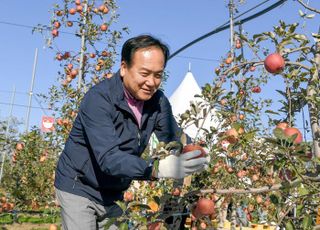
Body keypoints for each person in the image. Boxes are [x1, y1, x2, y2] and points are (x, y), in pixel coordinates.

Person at [54, 34, 208, 230]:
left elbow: (174, 138)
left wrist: (195, 150)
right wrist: (156, 169)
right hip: (79, 186)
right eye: (144, 73)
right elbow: (109, 158)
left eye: (158, 75)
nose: (151, 82)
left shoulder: (157, 103)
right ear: (124, 68)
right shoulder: (99, 99)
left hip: (114, 191)